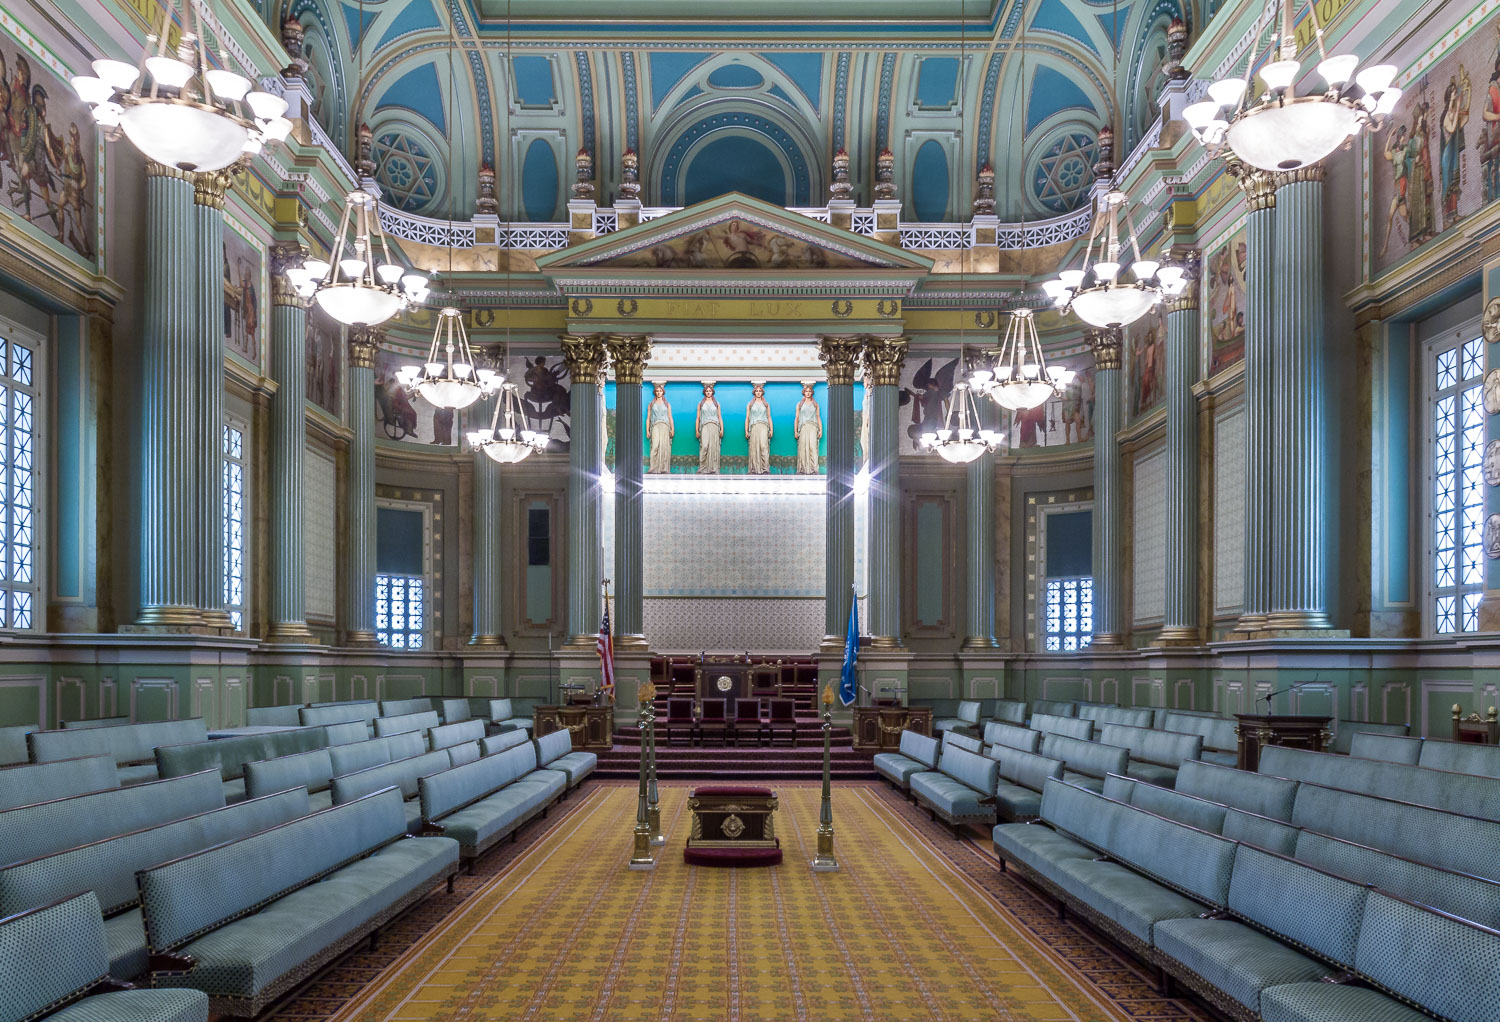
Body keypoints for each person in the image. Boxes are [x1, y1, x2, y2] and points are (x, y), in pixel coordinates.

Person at [794, 382, 822, 473]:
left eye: (809, 391)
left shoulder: (815, 404)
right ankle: (803, 469)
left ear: (812, 392)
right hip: (803, 427)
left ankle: (814, 469)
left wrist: (820, 430)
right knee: (803, 448)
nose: (808, 393)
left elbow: (818, 417)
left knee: (813, 447)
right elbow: (797, 418)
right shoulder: (800, 404)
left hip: (813, 427)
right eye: (806, 391)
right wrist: (795, 431)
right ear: (804, 392)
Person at [695, 381, 722, 474]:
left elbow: (719, 417)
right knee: (705, 446)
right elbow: (698, 418)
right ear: (705, 392)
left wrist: (722, 429)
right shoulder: (701, 403)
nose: (708, 392)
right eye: (707, 391)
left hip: (715, 426)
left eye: (710, 391)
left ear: (712, 392)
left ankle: (713, 468)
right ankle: (702, 468)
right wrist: (697, 430)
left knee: (713, 447)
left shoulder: (716, 403)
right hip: (704, 426)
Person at [746, 382, 772, 474]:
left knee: (763, 446)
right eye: (756, 391)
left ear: (762, 392)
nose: (758, 392)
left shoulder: (766, 404)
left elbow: (769, 417)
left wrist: (771, 429)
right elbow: (747, 418)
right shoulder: (750, 404)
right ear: (754, 392)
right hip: (753, 426)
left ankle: (765, 469)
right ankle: (754, 469)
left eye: (759, 391)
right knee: (754, 448)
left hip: (764, 426)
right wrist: (746, 430)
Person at [647, 382, 673, 473]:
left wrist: (672, 429)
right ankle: (653, 468)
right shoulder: (651, 404)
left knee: (664, 447)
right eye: (657, 391)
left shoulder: (667, 404)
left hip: (665, 426)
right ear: (655, 392)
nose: (658, 392)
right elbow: (648, 418)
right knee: (655, 446)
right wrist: (647, 430)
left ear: (663, 392)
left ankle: (664, 468)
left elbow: (670, 417)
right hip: (655, 426)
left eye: (660, 391)